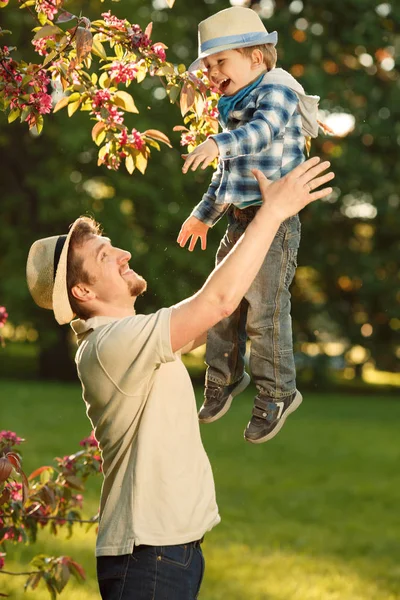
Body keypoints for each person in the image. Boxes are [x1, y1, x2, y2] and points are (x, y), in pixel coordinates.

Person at [26, 157, 333, 599]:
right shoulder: (111, 344)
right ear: (83, 292)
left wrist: (253, 219)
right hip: (148, 555)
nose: (123, 253)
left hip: (167, 552)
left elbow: (226, 309)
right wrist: (271, 213)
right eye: (104, 255)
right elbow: (218, 303)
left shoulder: (131, 340)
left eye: (112, 246)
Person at [177, 6, 321, 444]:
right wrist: (203, 216)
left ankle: (278, 391)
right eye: (208, 66)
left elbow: (262, 132)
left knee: (264, 312)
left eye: (221, 62)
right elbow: (228, 174)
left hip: (274, 222)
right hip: (241, 219)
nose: (213, 72)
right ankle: (222, 378)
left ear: (257, 57)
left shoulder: (277, 92)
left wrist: (216, 141)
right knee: (221, 305)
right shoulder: (231, 103)